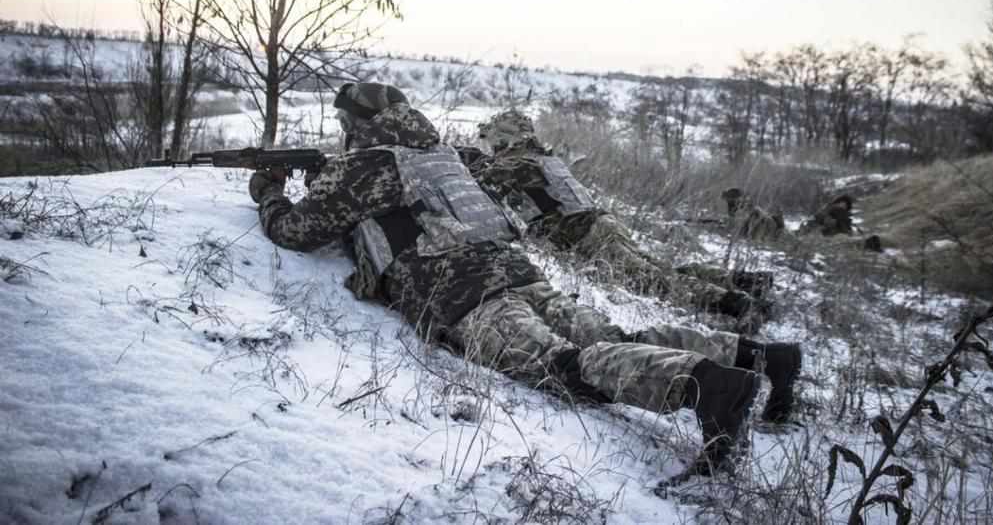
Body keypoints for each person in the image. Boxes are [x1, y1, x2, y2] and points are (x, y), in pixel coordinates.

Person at [248, 83, 801, 473]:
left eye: (346, 126)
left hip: (464, 294)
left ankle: (707, 388)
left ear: (355, 125)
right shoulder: (443, 154)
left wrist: (269, 192)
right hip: (518, 272)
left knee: (563, 367)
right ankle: (759, 357)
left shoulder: (366, 165)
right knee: (614, 339)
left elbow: (298, 230)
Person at [462, 110, 773, 332]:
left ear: (505, 140)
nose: (490, 146)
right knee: (659, 271)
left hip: (590, 235)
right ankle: (743, 281)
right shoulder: (544, 157)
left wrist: (460, 158)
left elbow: (481, 181)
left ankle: (736, 303)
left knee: (655, 282)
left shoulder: (520, 162)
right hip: (601, 225)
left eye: (492, 141)